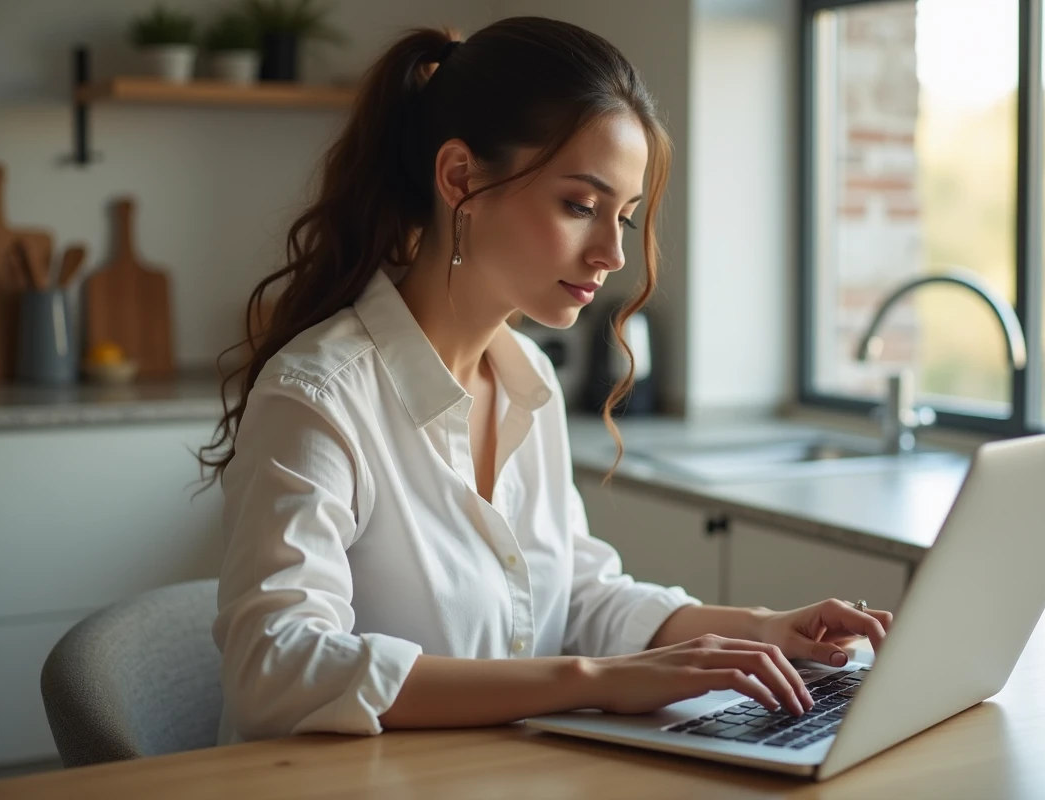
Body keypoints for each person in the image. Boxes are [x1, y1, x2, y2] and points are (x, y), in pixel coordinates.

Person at [198, 16, 892, 746]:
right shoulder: (318, 396)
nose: (612, 253)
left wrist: (763, 629)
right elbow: (275, 667)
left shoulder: (528, 377)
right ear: (460, 177)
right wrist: (593, 682)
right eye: (580, 206)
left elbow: (580, 598)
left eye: (623, 215)